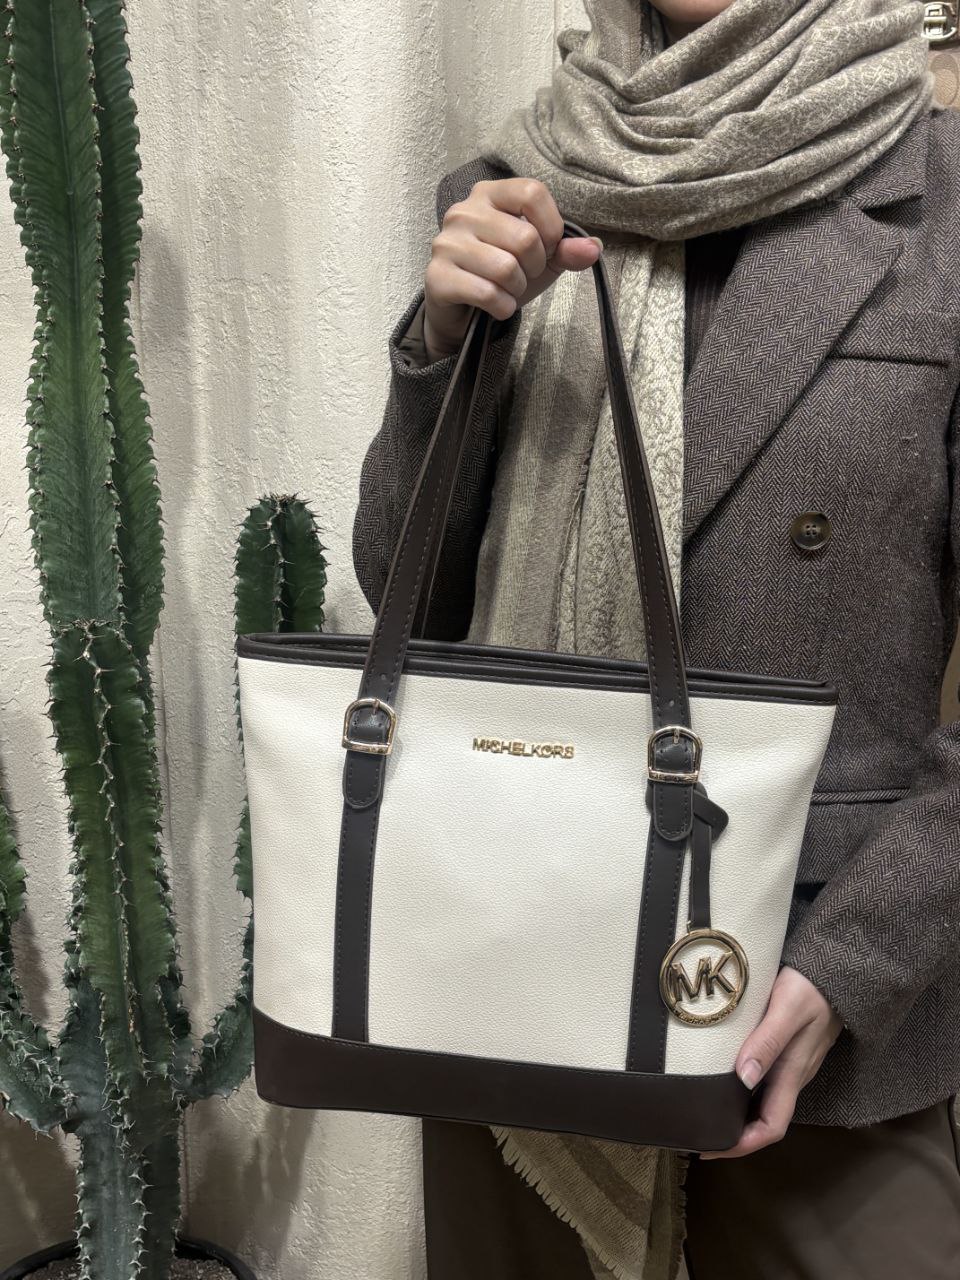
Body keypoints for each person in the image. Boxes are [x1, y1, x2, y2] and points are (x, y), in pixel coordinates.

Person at [352, 1, 960, 1276]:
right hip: (514, 945)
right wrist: (444, 349)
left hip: (810, 984)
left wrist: (858, 961)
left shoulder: (942, 199)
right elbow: (412, 594)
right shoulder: (516, 187)